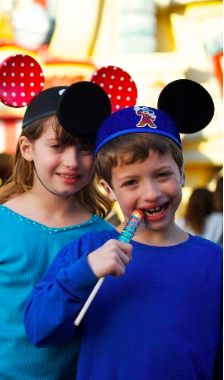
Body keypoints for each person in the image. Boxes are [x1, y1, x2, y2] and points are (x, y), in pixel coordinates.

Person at [24, 79, 222, 379]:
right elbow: (39, 331)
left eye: (163, 175)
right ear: (108, 189)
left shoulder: (215, 262)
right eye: (131, 182)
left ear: (181, 173)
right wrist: (84, 272)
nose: (152, 193)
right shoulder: (87, 251)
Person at [0, 83, 115, 379]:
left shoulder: (106, 237)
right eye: (57, 146)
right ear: (27, 148)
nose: (72, 161)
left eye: (85, 148)